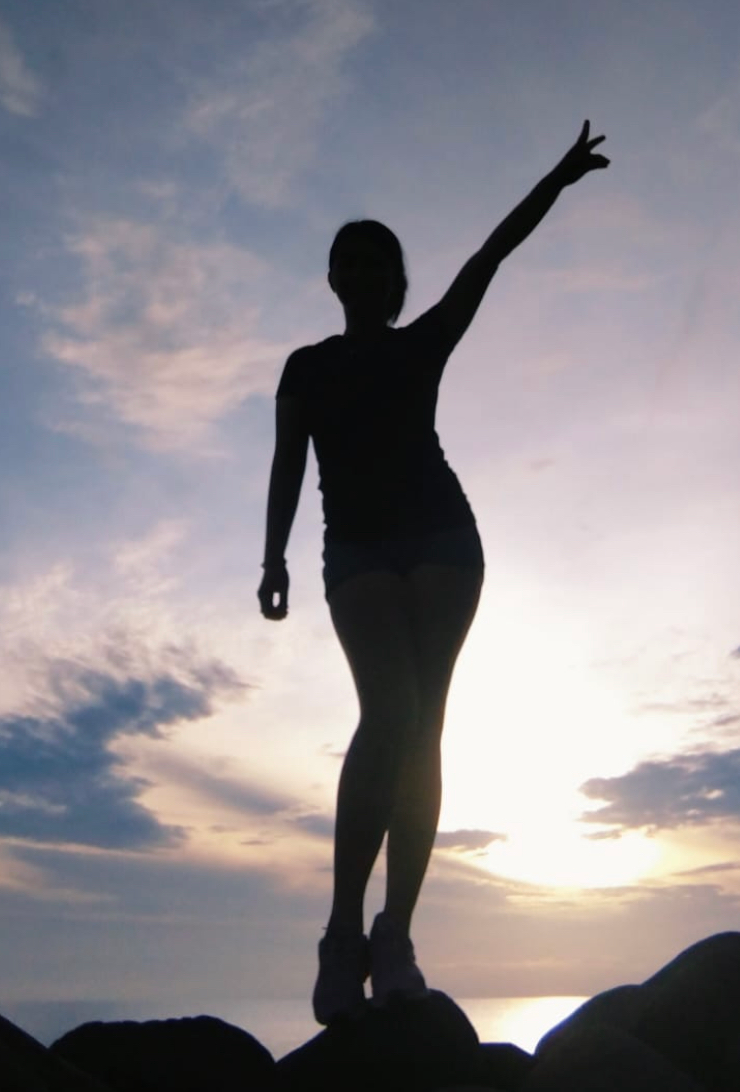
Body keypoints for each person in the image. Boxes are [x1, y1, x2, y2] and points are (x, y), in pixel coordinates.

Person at [258, 120, 610, 1024]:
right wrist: (272, 557)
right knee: (390, 713)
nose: (368, 276)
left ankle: (395, 934)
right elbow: (289, 463)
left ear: (394, 280)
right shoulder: (306, 365)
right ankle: (343, 932)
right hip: (361, 552)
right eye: (353, 262)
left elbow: (492, 254)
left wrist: (558, 178)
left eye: (382, 264)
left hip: (445, 541)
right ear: (333, 279)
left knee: (428, 727)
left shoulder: (423, 342)